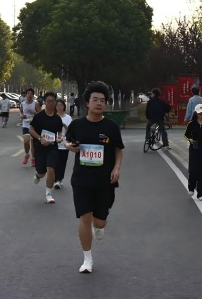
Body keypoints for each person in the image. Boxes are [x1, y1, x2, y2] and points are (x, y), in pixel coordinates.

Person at [65, 81, 124, 274]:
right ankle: (87, 258)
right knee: (85, 218)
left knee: (99, 221)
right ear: (87, 103)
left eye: (102, 100)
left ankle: (99, 227)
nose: (99, 103)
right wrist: (69, 147)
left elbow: (118, 149)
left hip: (105, 181)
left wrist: (116, 168)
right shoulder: (77, 125)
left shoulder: (111, 127)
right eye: (95, 100)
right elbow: (67, 141)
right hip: (81, 180)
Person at [29, 91, 63, 203]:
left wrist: (60, 138)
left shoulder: (57, 119)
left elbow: (59, 133)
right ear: (44, 102)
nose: (51, 103)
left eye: (53, 101)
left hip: (52, 148)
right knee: (42, 172)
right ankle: (38, 175)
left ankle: (48, 195)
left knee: (51, 169)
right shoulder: (39, 116)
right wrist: (40, 139)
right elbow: (31, 130)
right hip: (40, 147)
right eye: (48, 101)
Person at [184, 103, 202, 201]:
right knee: (193, 170)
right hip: (194, 148)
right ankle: (191, 187)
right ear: (196, 113)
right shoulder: (191, 124)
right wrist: (190, 140)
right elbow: (186, 135)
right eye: (200, 113)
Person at [55, 98, 73, 189]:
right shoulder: (53, 117)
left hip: (64, 144)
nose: (59, 107)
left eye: (61, 105)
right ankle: (56, 180)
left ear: (64, 106)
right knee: (54, 163)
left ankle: (59, 180)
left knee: (62, 163)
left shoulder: (68, 118)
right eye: (57, 105)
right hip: (53, 143)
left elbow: (71, 131)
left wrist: (64, 126)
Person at [20, 88, 41, 166]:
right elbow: (21, 112)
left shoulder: (35, 104)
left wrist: (35, 114)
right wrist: (21, 116)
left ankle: (33, 158)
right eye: (28, 93)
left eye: (31, 93)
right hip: (25, 125)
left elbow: (40, 114)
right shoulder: (22, 103)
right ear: (26, 94)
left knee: (33, 144)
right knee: (26, 141)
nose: (30, 95)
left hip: (34, 126)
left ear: (33, 95)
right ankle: (27, 154)